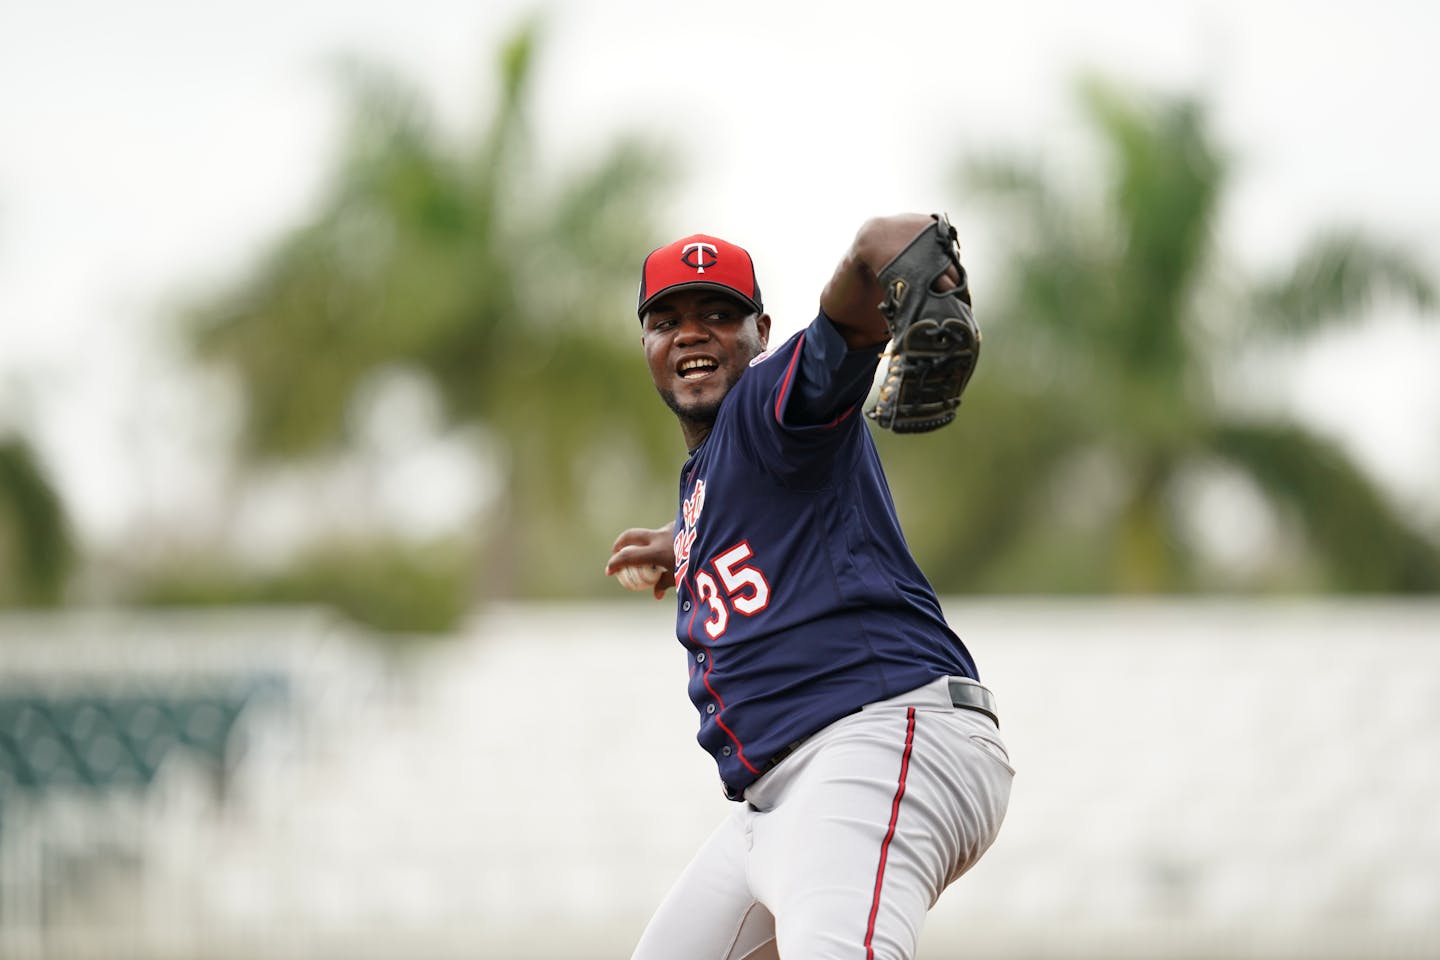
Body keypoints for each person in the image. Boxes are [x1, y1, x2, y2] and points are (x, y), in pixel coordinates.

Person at [605, 214, 1012, 960]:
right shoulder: (715, 477)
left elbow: (856, 307)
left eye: (718, 315)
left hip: (877, 740)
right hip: (782, 796)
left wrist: (880, 251)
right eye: (668, 320)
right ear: (647, 347)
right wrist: (681, 543)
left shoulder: (770, 405)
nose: (692, 334)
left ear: (762, 330)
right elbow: (747, 504)